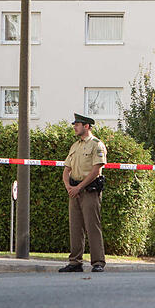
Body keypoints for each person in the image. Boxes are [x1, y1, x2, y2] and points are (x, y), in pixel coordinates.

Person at [59, 113, 108, 272]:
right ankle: (75, 262)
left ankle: (98, 262)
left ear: (86, 126)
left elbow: (96, 170)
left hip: (89, 190)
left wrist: (79, 187)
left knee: (92, 226)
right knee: (75, 227)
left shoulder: (97, 145)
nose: (74, 127)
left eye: (77, 124)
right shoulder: (75, 146)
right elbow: (67, 170)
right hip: (74, 192)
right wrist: (69, 187)